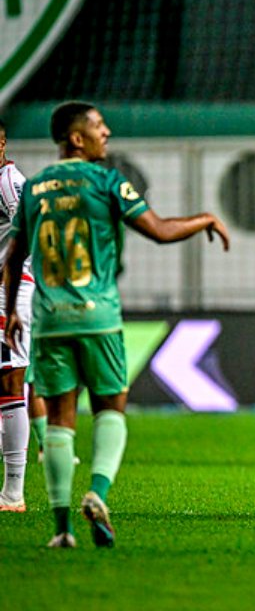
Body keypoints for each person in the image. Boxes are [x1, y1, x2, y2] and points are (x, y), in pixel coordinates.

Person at [4, 101, 230, 549]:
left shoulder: (34, 189)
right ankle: (98, 492)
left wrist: (12, 309)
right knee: (111, 408)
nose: (106, 132)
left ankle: (62, 527)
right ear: (76, 137)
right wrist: (204, 218)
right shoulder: (107, 181)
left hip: (49, 320)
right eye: (98, 126)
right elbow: (160, 230)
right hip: (98, 316)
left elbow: (13, 256)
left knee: (61, 420)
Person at [0, 118, 35, 512]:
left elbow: (30, 230)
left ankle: (13, 493)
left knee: (10, 383)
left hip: (8, 293)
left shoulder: (10, 182)